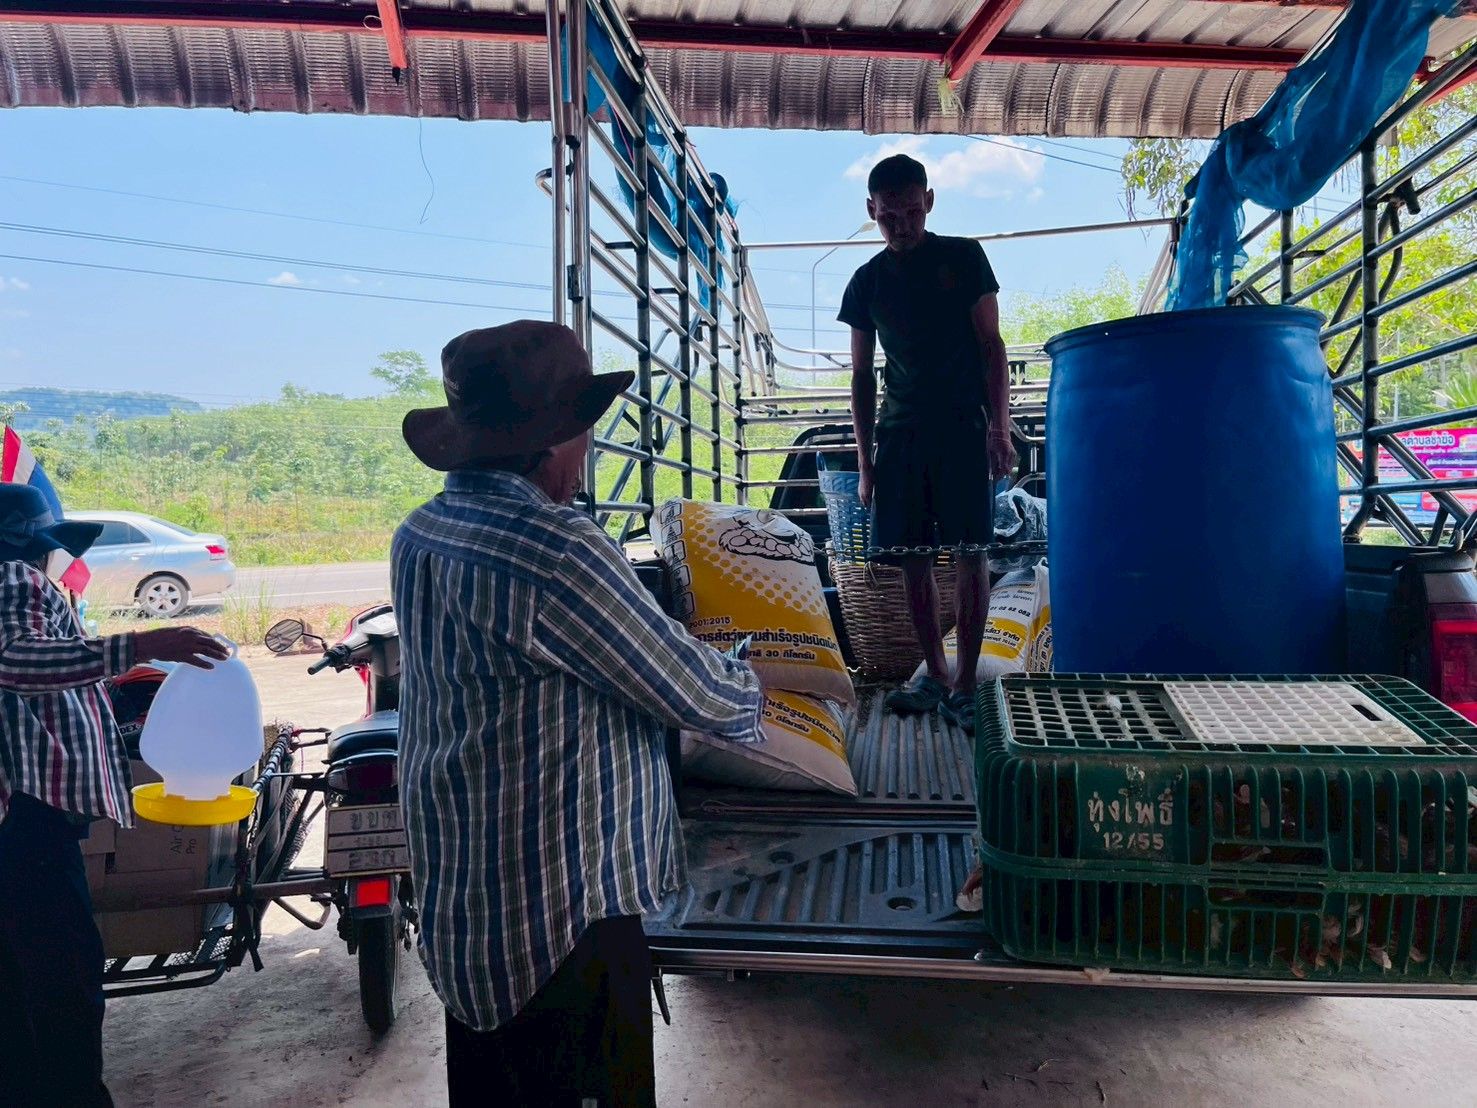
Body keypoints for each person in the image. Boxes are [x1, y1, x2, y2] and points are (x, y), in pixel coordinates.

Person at [393, 320, 764, 1107]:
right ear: (554, 440)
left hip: (467, 892)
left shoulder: (420, 531)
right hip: (561, 908)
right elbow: (694, 692)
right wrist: (754, 678)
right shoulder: (554, 547)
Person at [0, 483, 230, 1108]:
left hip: (23, 819)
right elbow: (16, 662)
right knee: (64, 981)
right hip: (30, 820)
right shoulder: (14, 577)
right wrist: (142, 644)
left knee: (21, 981)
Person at [839, 153, 1017, 734]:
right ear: (871, 210)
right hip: (900, 435)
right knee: (912, 560)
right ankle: (935, 674)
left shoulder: (964, 258)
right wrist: (866, 464)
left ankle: (966, 684)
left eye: (913, 212)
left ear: (930, 202)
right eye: (889, 217)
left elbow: (992, 347)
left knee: (971, 554)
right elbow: (861, 375)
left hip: (963, 427)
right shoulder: (866, 282)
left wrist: (998, 429)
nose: (903, 226)